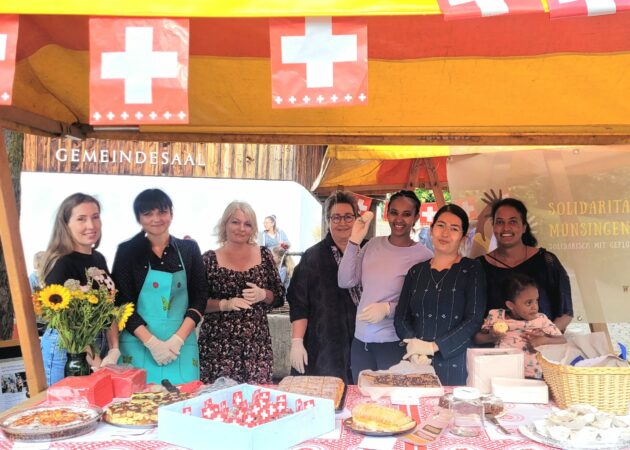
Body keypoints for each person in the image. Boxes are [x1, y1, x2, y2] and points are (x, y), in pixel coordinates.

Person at [112, 189, 206, 384]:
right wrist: (152, 343)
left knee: (183, 403)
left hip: (181, 346)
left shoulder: (189, 249)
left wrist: (177, 340)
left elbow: (200, 297)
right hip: (138, 345)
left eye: (162, 212)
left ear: (171, 213)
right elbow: (122, 304)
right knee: (137, 408)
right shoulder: (127, 251)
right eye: (148, 214)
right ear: (139, 218)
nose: (156, 219)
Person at [339, 190, 433, 383]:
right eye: (394, 212)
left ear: (416, 217)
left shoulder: (424, 256)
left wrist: (388, 309)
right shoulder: (372, 245)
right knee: (362, 400)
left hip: (393, 343)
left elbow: (422, 304)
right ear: (387, 214)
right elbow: (345, 280)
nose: (399, 219)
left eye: (407, 214)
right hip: (361, 340)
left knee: (391, 401)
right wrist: (354, 241)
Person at [394, 204, 487, 386]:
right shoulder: (416, 272)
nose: (445, 233)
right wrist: (414, 348)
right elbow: (401, 317)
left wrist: (433, 347)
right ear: (431, 230)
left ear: (463, 237)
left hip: (455, 363)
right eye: (441, 225)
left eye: (454, 229)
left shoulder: (472, 269)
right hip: (417, 363)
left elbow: (474, 319)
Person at [199, 201, 285, 384]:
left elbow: (278, 296)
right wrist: (224, 304)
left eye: (247, 224)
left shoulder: (264, 255)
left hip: (256, 346)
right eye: (235, 222)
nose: (241, 228)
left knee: (256, 402)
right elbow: (196, 303)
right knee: (218, 403)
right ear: (225, 224)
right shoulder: (208, 259)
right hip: (217, 348)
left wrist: (264, 294)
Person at [39, 193, 120, 385]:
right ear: (66, 224)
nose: (91, 225)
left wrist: (114, 349)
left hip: (95, 347)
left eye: (95, 217)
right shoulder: (61, 262)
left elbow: (109, 308)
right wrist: (95, 360)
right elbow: (65, 323)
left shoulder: (98, 259)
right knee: (66, 411)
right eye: (81, 219)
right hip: (68, 351)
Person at [287, 191, 366, 384]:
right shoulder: (312, 257)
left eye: (348, 217)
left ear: (357, 219)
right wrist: (297, 342)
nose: (342, 223)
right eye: (336, 217)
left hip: (363, 341)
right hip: (323, 342)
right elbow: (299, 302)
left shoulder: (369, 252)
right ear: (328, 221)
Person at [478, 198, 573, 332]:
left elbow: (566, 312)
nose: (506, 227)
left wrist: (544, 337)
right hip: (496, 350)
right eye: (500, 222)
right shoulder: (479, 267)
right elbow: (473, 319)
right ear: (493, 227)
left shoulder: (546, 261)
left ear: (523, 227)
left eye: (513, 221)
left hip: (542, 348)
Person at [474, 273, 565, 379]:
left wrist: (544, 340)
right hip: (502, 374)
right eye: (528, 303)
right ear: (510, 305)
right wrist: (491, 337)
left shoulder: (541, 320)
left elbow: (562, 340)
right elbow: (477, 339)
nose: (534, 307)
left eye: (537, 300)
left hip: (533, 376)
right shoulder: (497, 316)